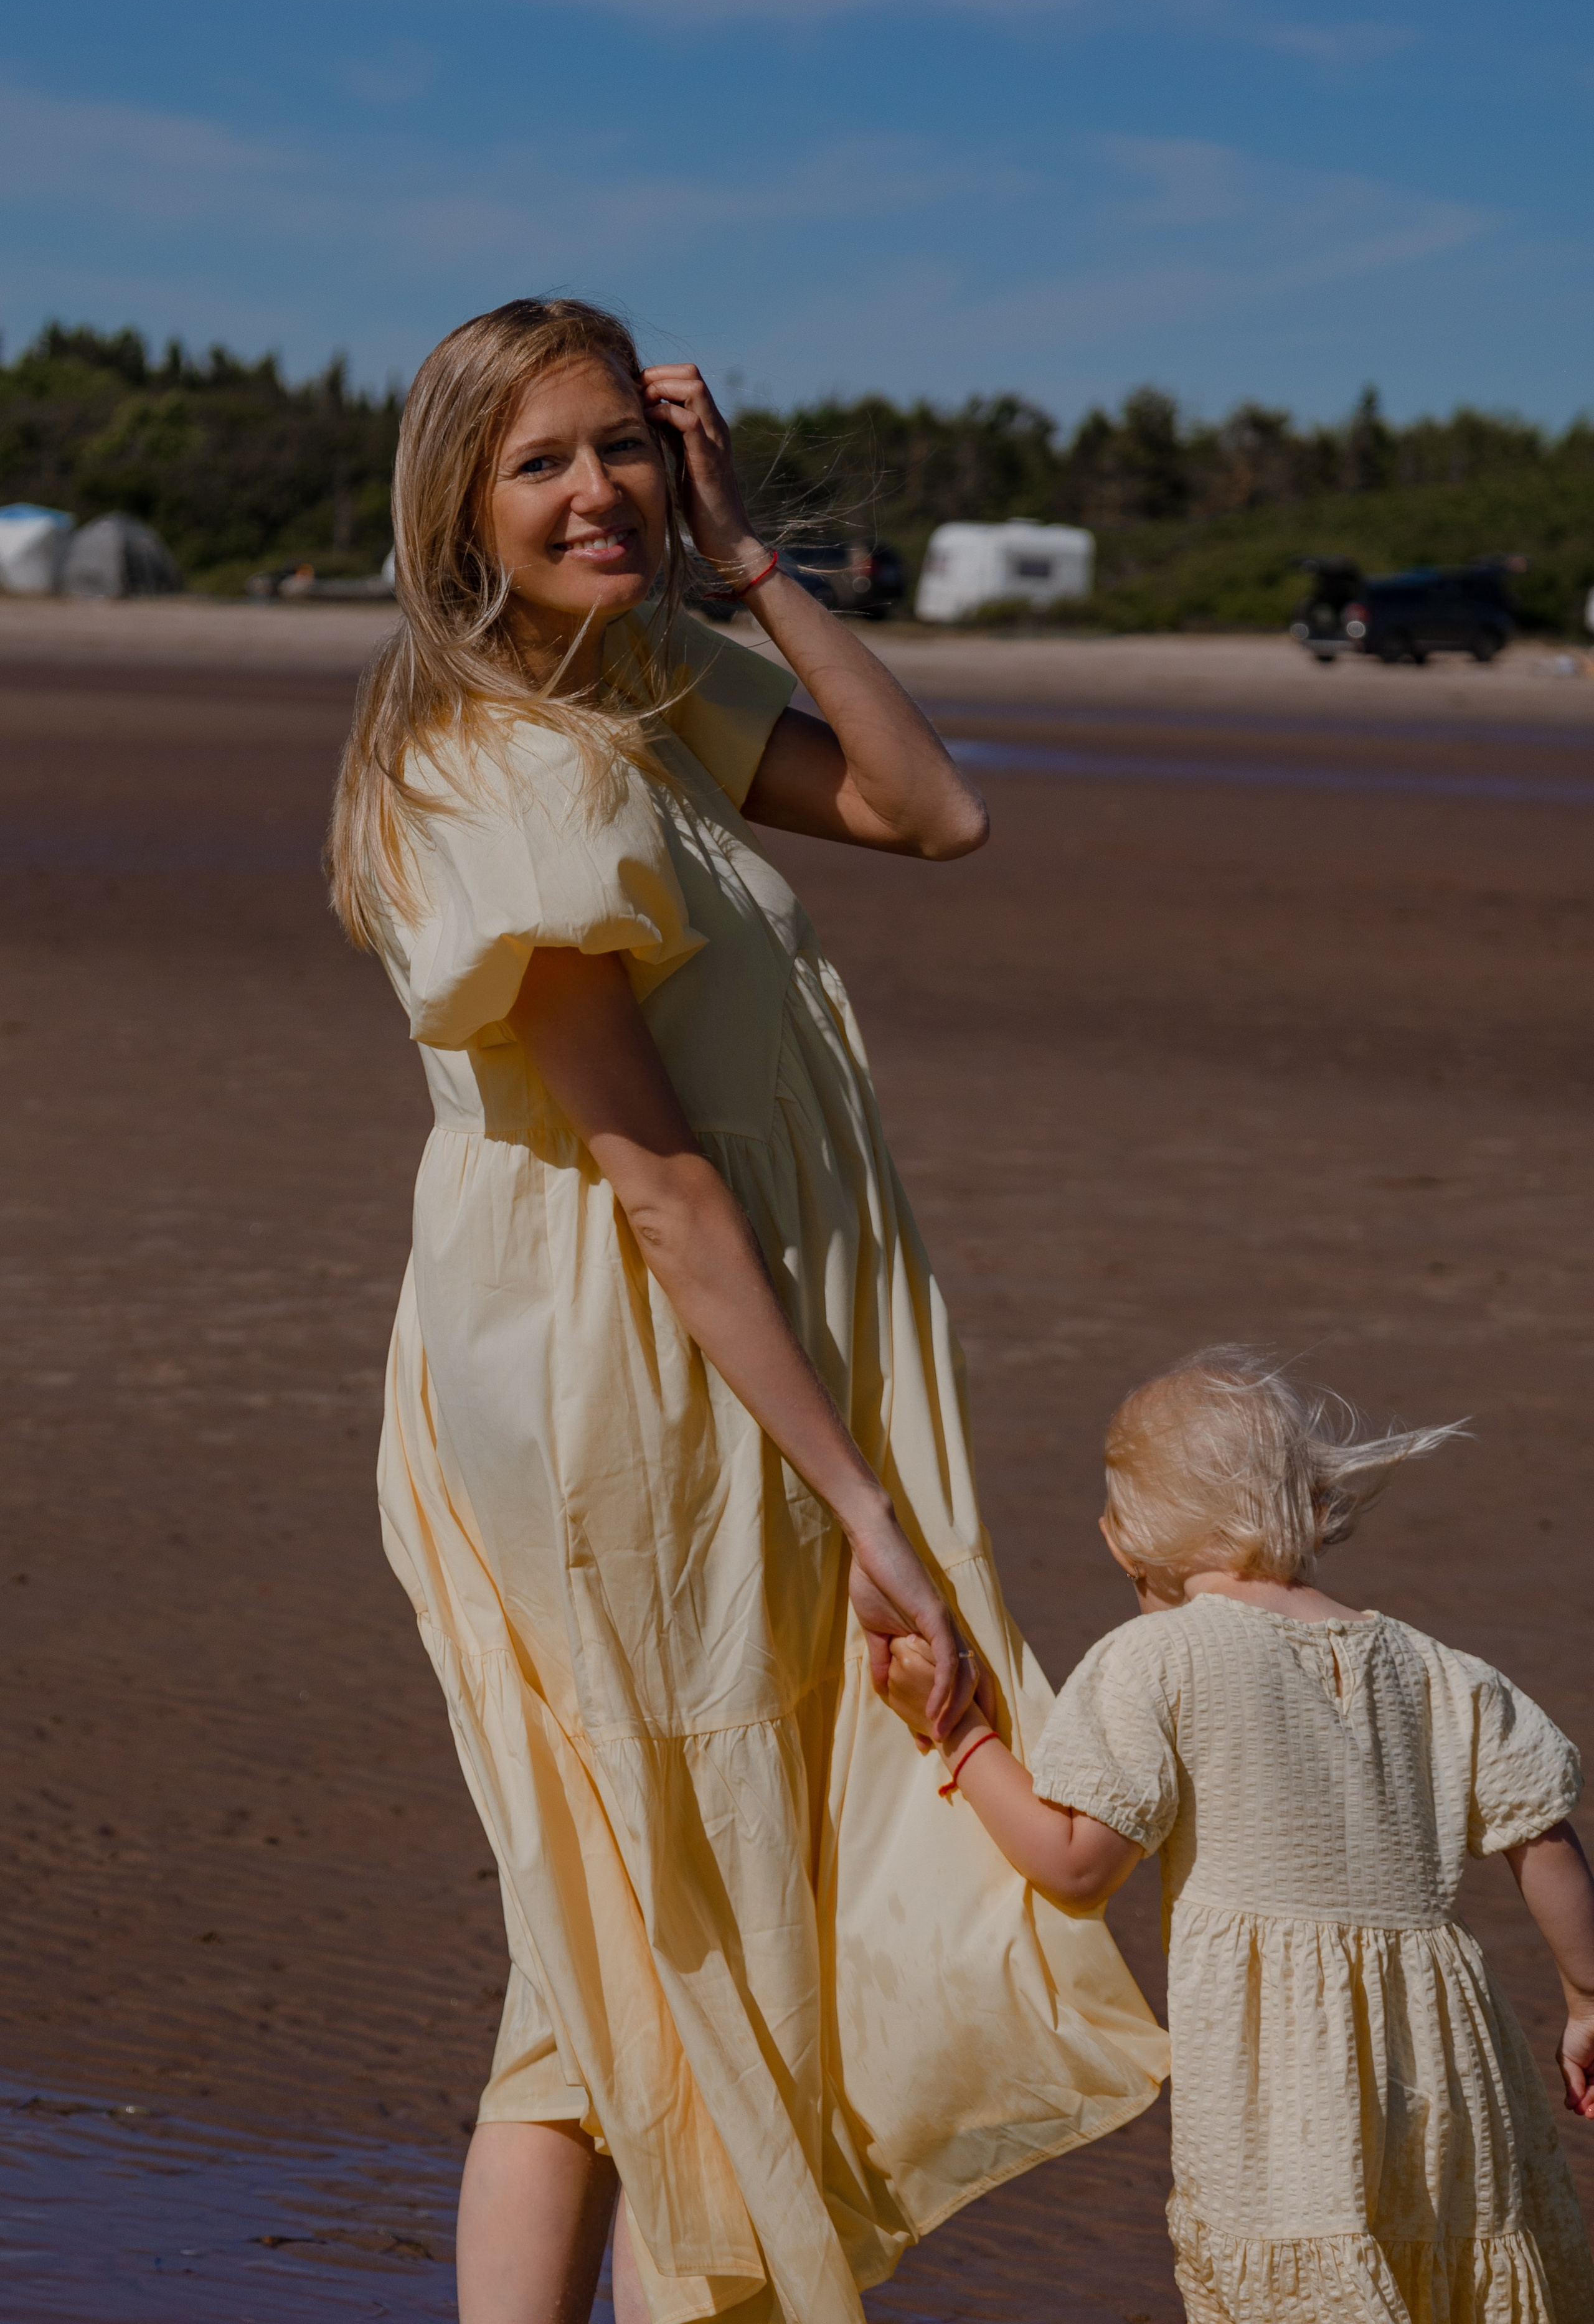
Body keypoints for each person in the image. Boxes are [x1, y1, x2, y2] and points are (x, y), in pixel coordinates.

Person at [325, 297, 1168, 2324]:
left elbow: (930, 811)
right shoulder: (501, 764)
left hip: (710, 1357)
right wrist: (863, 1501)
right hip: (627, 1376)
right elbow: (657, 1179)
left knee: (623, 1927)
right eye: (540, 462)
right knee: (690, 1898)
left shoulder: (636, 681)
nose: (595, 491)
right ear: (455, 502)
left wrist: (749, 556)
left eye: (620, 444)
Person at [885, 1346, 1594, 2322]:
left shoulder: (1155, 1660)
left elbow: (1076, 1865)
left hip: (1286, 2084)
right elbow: (1542, 1836)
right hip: (1446, 2065)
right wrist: (1584, 1998)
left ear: (1122, 1541)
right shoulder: (1440, 1668)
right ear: (1310, 1503)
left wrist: (959, 1732)